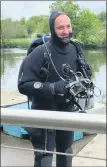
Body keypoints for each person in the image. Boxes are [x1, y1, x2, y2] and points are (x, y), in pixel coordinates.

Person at [18, 11, 92, 167]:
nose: (66, 31)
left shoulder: (76, 49)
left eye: (68, 26)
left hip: (67, 111)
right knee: (44, 159)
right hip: (44, 114)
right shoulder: (40, 53)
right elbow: (23, 84)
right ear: (52, 29)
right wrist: (52, 87)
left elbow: (85, 75)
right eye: (60, 28)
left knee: (65, 155)